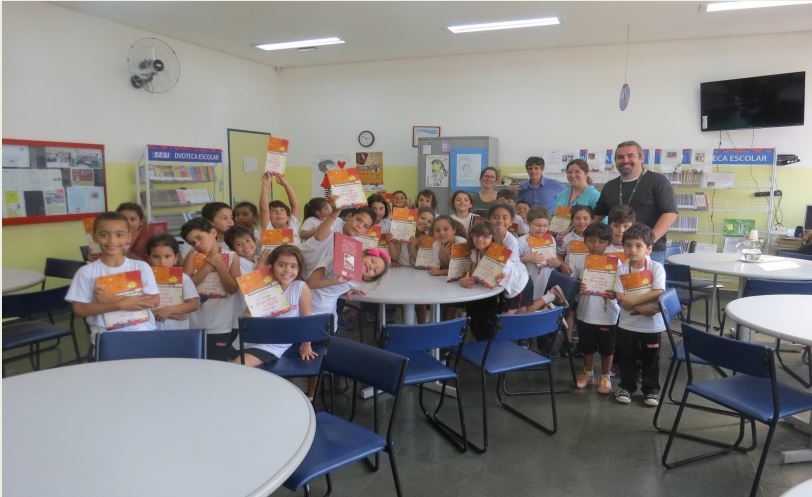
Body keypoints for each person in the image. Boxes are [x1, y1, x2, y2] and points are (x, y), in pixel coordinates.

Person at [66, 211, 160, 350]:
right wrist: (119, 305)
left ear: (128, 237)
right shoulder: (86, 272)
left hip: (144, 333)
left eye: (119, 235)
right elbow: (79, 309)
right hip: (107, 338)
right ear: (94, 237)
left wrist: (111, 298)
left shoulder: (141, 267)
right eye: (104, 235)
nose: (112, 241)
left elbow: (154, 300)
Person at [594, 141, 678, 263]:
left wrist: (648, 242)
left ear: (641, 158)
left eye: (630, 156)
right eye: (620, 157)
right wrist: (572, 232)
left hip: (650, 251)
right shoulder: (610, 186)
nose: (625, 160)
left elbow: (670, 214)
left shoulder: (658, 181)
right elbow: (597, 217)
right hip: (615, 250)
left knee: (645, 282)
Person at [236, 245, 318, 368]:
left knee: (236, 367)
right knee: (230, 368)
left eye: (293, 266)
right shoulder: (262, 284)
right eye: (281, 265)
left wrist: (306, 344)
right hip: (250, 338)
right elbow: (245, 318)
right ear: (272, 266)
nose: (287, 270)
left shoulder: (300, 287)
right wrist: (251, 311)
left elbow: (306, 319)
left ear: (299, 269)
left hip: (274, 343)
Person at [613, 223, 667, 406]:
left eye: (638, 246)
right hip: (628, 324)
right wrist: (640, 309)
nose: (632, 250)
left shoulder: (656, 268)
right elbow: (620, 296)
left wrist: (632, 302)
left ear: (649, 249)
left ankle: (651, 389)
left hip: (652, 325)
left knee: (651, 358)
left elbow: (658, 291)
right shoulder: (622, 269)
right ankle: (627, 387)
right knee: (627, 357)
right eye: (628, 245)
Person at [181, 217, 241, 361]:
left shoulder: (232, 257)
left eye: (199, 238)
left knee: (217, 364)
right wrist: (207, 268)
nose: (197, 244)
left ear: (213, 232)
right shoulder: (191, 256)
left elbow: (233, 289)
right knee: (196, 363)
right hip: (194, 324)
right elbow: (186, 286)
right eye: (192, 243)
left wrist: (220, 265)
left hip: (221, 325)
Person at [571, 223, 618, 395]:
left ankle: (605, 376)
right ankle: (588, 372)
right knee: (587, 346)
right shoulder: (579, 261)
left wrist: (615, 294)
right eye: (591, 241)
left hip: (608, 315)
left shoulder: (616, 263)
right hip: (585, 313)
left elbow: (622, 289)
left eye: (601, 242)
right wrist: (578, 287)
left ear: (608, 243)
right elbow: (572, 283)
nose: (596, 245)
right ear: (585, 241)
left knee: (607, 349)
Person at [308, 246, 390, 331]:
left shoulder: (356, 281)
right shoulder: (332, 260)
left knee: (330, 334)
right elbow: (310, 283)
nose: (371, 266)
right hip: (308, 310)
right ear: (363, 254)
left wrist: (346, 290)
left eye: (374, 271)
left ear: (369, 278)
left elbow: (335, 289)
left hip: (327, 315)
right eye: (372, 261)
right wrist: (334, 281)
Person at [145, 233, 200, 330]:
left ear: (176, 258)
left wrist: (170, 310)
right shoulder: (145, 279)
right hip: (150, 329)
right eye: (156, 256)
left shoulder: (184, 278)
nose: (162, 261)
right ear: (148, 258)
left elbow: (193, 304)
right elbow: (138, 305)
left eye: (167, 256)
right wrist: (157, 313)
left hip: (177, 329)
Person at [552, 159, 601, 242]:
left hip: (584, 241)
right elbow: (558, 219)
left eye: (577, 172)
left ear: (585, 174)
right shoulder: (563, 194)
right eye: (569, 172)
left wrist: (569, 229)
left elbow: (600, 222)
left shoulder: (594, 195)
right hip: (561, 241)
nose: (573, 175)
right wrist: (556, 233)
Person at [518, 207, 562, 300]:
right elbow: (512, 263)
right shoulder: (521, 241)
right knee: (528, 304)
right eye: (537, 225)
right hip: (526, 282)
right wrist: (526, 259)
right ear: (528, 223)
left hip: (545, 280)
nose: (541, 229)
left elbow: (555, 259)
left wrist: (557, 263)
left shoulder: (551, 239)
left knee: (540, 303)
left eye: (545, 225)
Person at [260, 171, 301, 246]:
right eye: (274, 211)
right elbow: (264, 209)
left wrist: (286, 184)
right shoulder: (268, 229)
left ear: (288, 218)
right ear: (268, 218)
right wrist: (265, 186)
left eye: (282, 210)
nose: (279, 213)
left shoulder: (292, 228)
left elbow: (296, 206)